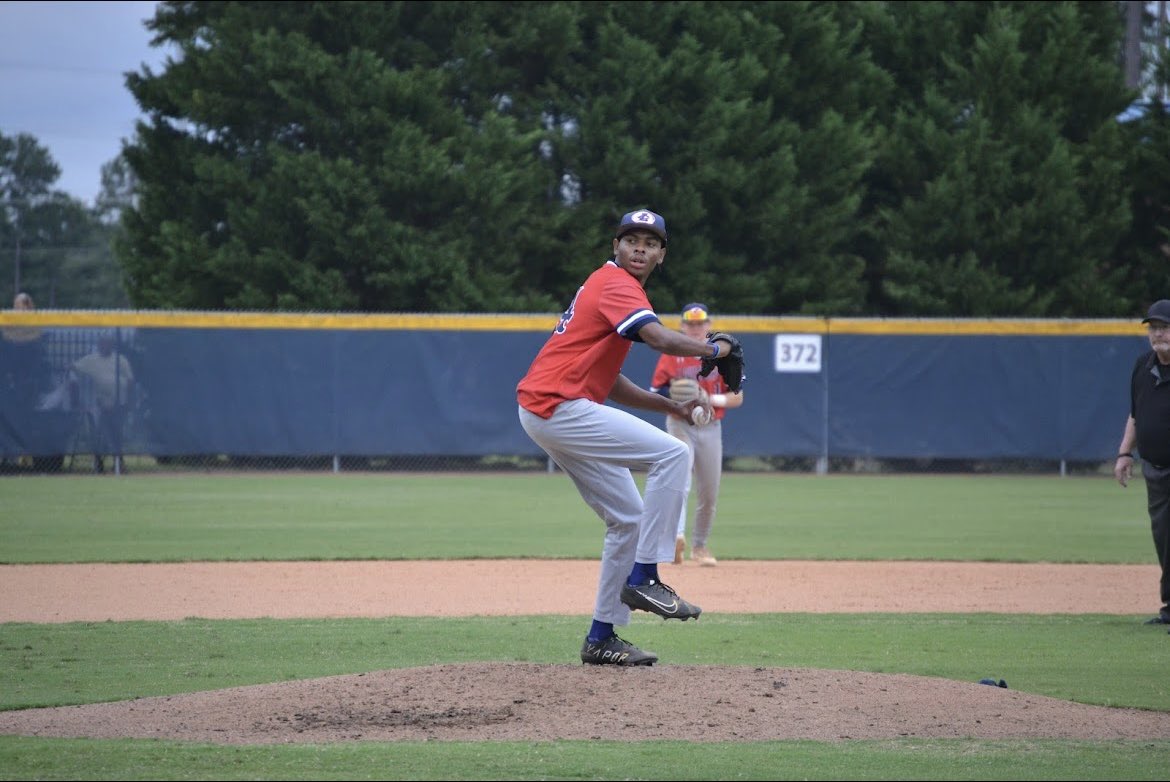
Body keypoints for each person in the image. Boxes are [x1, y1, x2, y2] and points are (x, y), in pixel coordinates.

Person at [516, 208, 739, 667]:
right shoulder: (616, 282)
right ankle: (646, 576)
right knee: (674, 453)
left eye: (651, 242)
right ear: (616, 247)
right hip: (559, 406)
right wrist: (715, 348)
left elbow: (610, 380)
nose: (640, 248)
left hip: (551, 409)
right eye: (631, 239)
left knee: (628, 520)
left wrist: (671, 406)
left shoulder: (612, 288)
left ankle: (601, 636)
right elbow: (658, 339)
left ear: (662, 255)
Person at [650, 302, 744, 567]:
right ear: (682, 326)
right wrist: (677, 398)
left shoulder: (723, 356)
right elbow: (655, 391)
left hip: (711, 426)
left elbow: (737, 397)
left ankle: (700, 547)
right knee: (681, 480)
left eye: (700, 323)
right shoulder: (671, 353)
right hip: (680, 423)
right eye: (690, 324)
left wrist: (708, 397)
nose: (695, 328)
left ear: (708, 326)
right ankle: (677, 538)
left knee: (709, 492)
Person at [1115, 298, 1170, 628]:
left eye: (1165, 327)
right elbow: (1136, 415)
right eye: (1154, 328)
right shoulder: (1142, 366)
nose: (1158, 334)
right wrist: (1124, 453)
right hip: (1155, 470)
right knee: (1164, 538)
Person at [72, 332, 135, 474]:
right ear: (98, 345)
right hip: (100, 405)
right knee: (99, 435)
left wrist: (129, 402)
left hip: (119, 404)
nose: (104, 346)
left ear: (112, 345)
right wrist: (74, 383)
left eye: (107, 343)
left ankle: (119, 464)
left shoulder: (121, 360)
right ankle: (98, 464)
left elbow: (130, 381)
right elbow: (73, 368)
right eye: (101, 343)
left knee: (116, 434)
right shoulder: (91, 360)